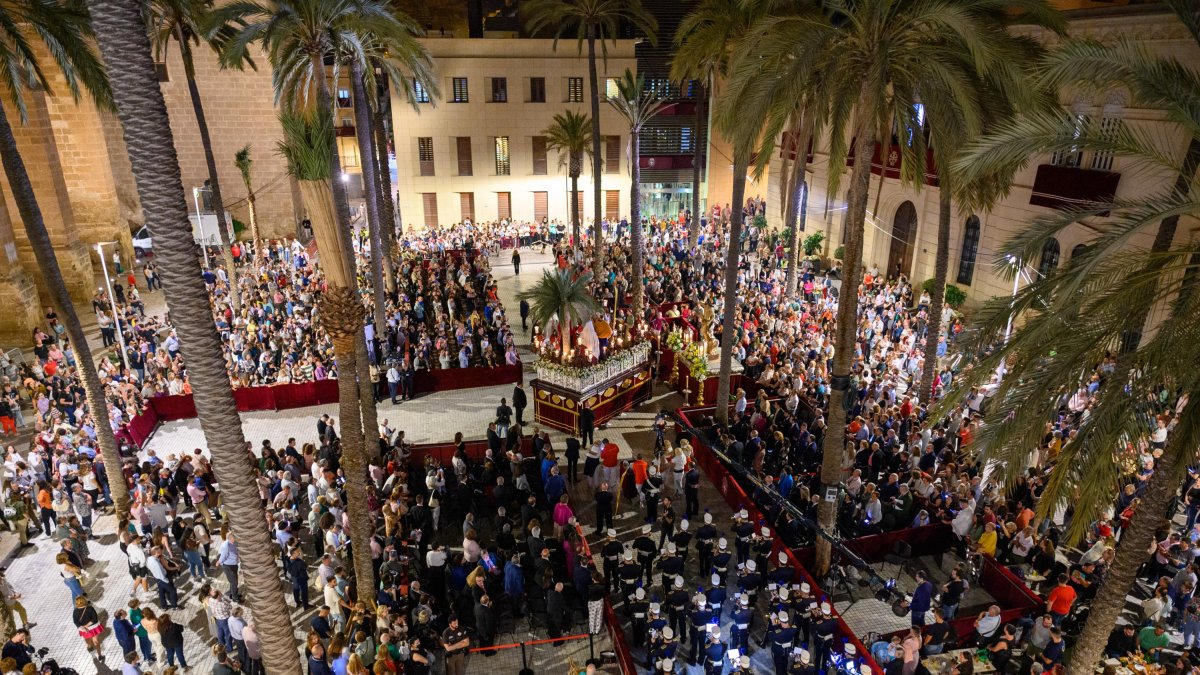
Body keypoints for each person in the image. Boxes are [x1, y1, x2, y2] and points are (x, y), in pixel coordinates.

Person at [72, 596, 105, 663]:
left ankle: (90, 648)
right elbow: (94, 619)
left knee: (88, 640)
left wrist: (82, 627)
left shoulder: (75, 611)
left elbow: (75, 621)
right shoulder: (89, 608)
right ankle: (100, 655)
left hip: (84, 629)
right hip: (93, 627)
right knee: (96, 641)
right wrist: (87, 625)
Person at [218, 532, 241, 602]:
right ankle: (235, 597)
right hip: (228, 566)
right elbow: (223, 556)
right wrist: (219, 562)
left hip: (233, 565)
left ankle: (232, 594)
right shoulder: (226, 546)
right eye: (234, 537)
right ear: (230, 538)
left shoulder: (233, 543)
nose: (236, 538)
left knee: (232, 581)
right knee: (234, 582)